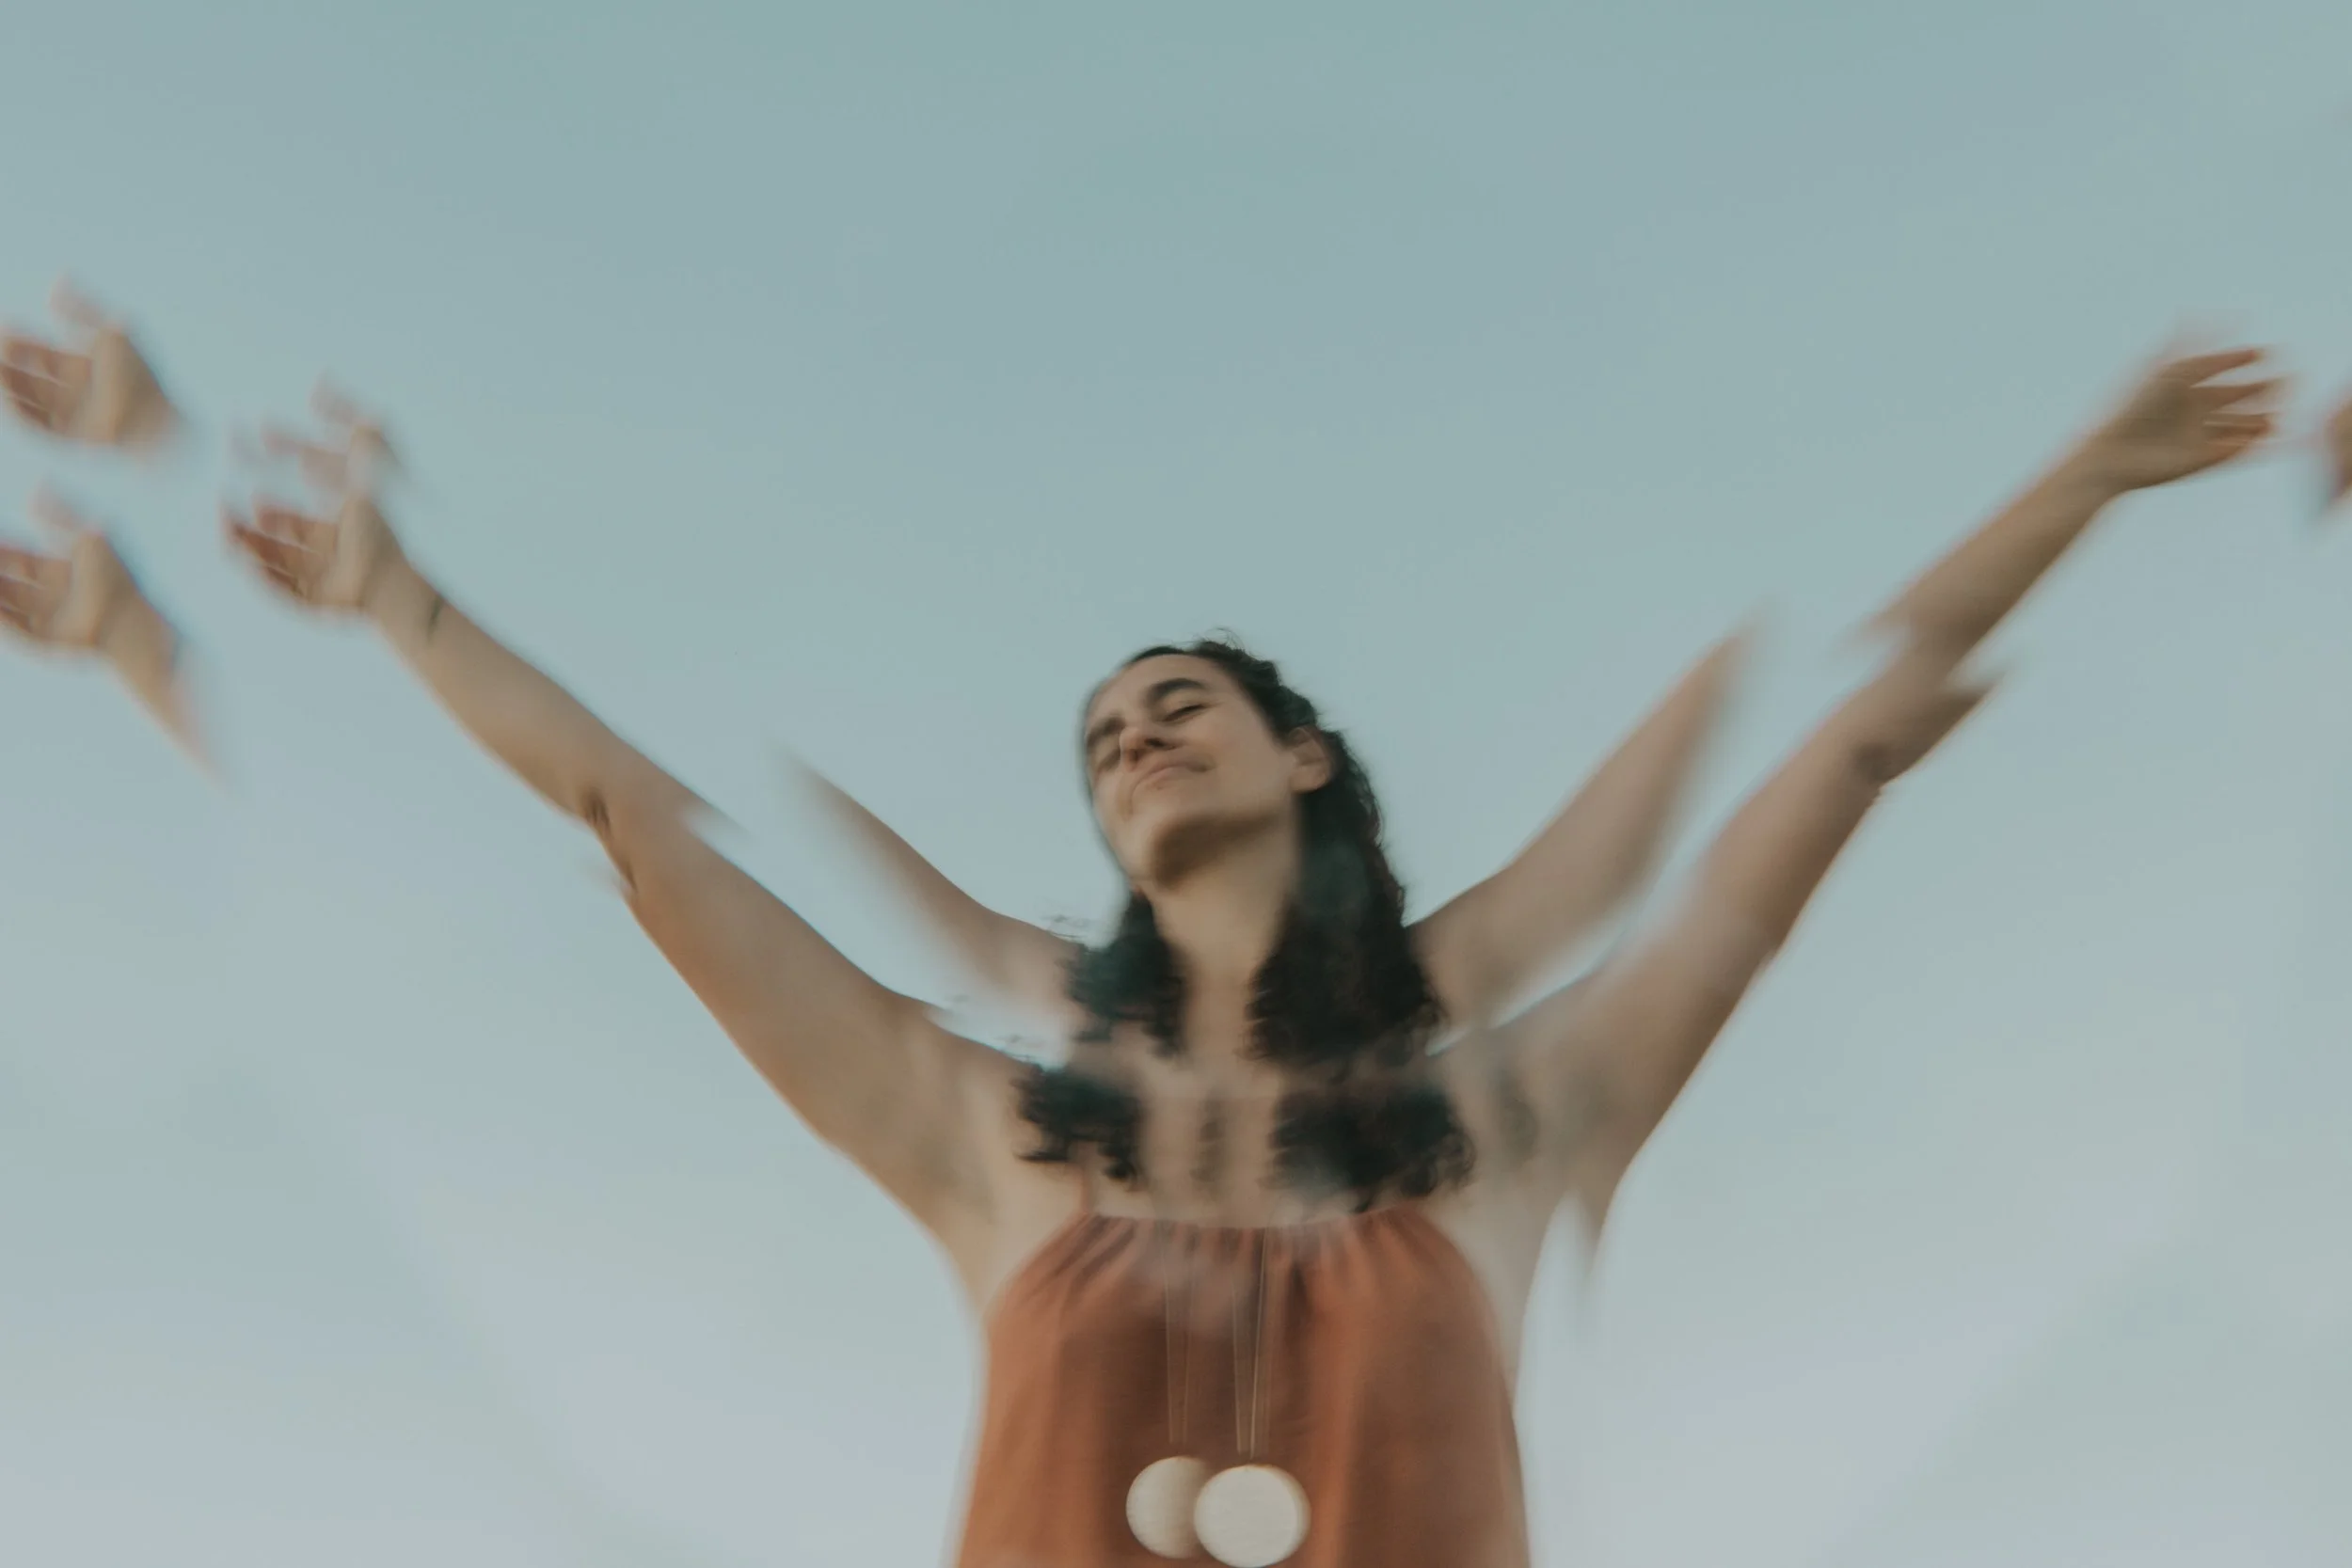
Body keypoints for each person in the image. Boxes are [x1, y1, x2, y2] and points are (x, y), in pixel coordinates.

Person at [1, 295, 2285, 1565]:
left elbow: (1835, 753)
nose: (1136, 730)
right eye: (1101, 728)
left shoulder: (1509, 1109)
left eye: (1185, 700)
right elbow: (635, 821)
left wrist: (2073, 480)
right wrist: (398, 594)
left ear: (1305, 762)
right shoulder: (988, 1131)